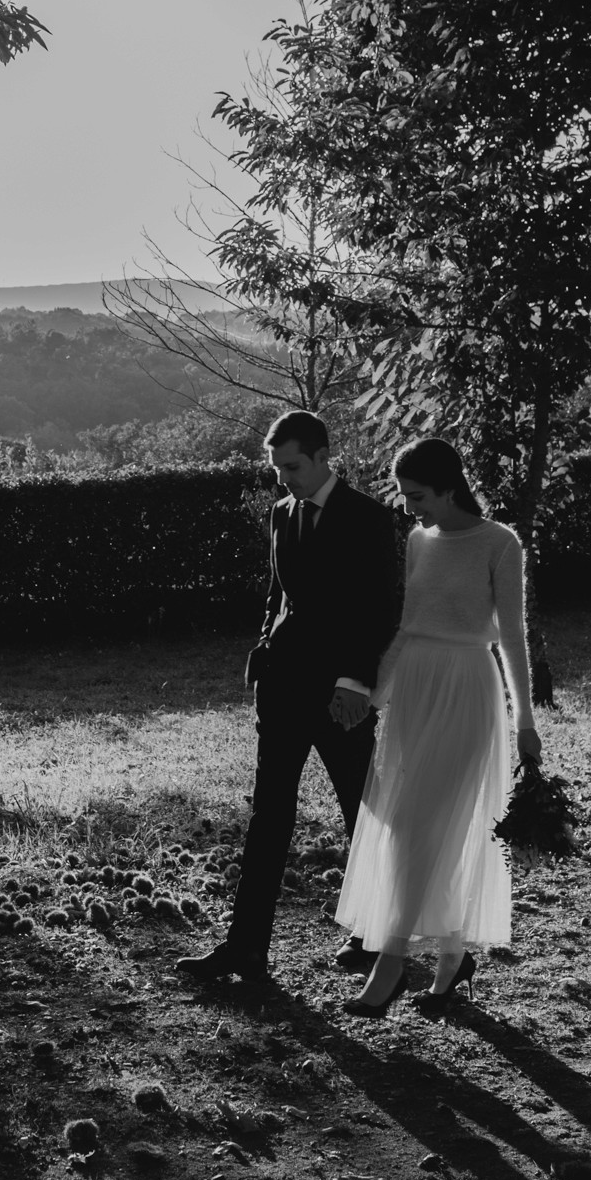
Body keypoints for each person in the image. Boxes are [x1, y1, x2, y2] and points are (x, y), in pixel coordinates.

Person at [177, 410, 400, 986]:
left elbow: (379, 608)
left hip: (340, 697)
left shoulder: (370, 519)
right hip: (281, 690)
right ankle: (245, 948)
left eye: (293, 466)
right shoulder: (280, 514)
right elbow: (277, 594)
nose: (284, 479)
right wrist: (261, 652)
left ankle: (379, 935)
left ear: (325, 455)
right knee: (268, 818)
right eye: (277, 469)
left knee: (364, 815)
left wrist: (355, 683)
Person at [337, 436, 541, 1018]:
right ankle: (452, 959)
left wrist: (525, 720)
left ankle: (393, 962)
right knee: (414, 827)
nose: (410, 508)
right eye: (404, 497)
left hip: (468, 690)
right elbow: (406, 628)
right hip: (414, 694)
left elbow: (512, 639)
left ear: (450, 487)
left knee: (427, 823)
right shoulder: (417, 540)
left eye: (419, 495)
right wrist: (374, 698)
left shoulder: (499, 543)